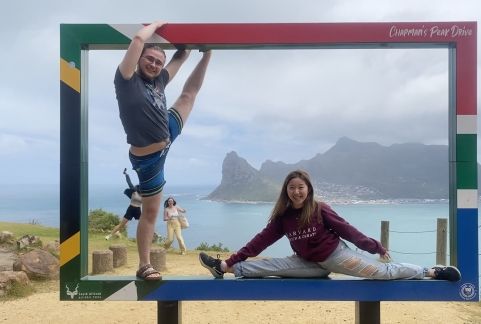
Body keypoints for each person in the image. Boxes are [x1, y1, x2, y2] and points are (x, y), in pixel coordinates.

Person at [199, 170, 461, 282]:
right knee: (268, 267)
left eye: (301, 187)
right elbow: (260, 241)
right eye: (292, 188)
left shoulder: (320, 209)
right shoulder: (284, 217)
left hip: (337, 257)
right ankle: (223, 267)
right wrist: (233, 259)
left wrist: (375, 247)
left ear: (308, 189)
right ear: (286, 191)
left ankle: (431, 271)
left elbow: (348, 230)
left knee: (382, 274)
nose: (297, 192)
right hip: (309, 265)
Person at [114, 21, 212, 280]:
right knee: (150, 213)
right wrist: (155, 25)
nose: (155, 65)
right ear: (139, 59)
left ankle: (210, 56)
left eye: (159, 61)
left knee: (188, 96)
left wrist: (204, 48)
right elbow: (137, 40)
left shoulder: (159, 80)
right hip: (148, 159)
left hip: (167, 133)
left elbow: (181, 55)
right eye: (150, 59)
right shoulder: (126, 81)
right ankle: (144, 265)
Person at [105, 168, 142, 240]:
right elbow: (129, 182)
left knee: (145, 223)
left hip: (138, 210)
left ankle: (154, 235)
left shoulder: (144, 196)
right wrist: (126, 174)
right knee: (122, 224)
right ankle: (109, 235)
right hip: (131, 209)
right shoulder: (134, 192)